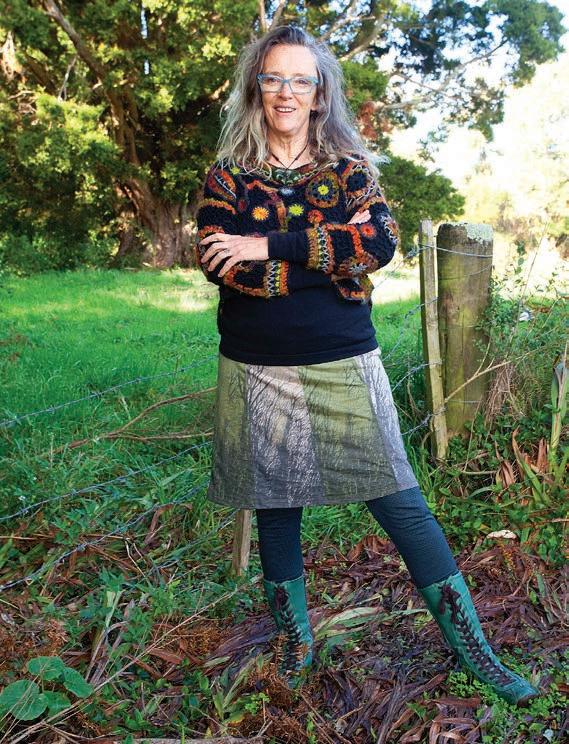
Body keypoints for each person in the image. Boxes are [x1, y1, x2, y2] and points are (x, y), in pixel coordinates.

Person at [193, 24, 539, 706]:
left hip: (342, 356)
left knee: (399, 500)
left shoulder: (348, 168)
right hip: (256, 362)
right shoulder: (227, 175)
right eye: (272, 78)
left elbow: (377, 243)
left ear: (319, 94)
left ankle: (475, 651)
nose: (286, 92)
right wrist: (328, 261)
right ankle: (296, 645)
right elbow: (217, 261)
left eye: (300, 80)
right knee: (275, 506)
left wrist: (271, 246)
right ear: (256, 88)